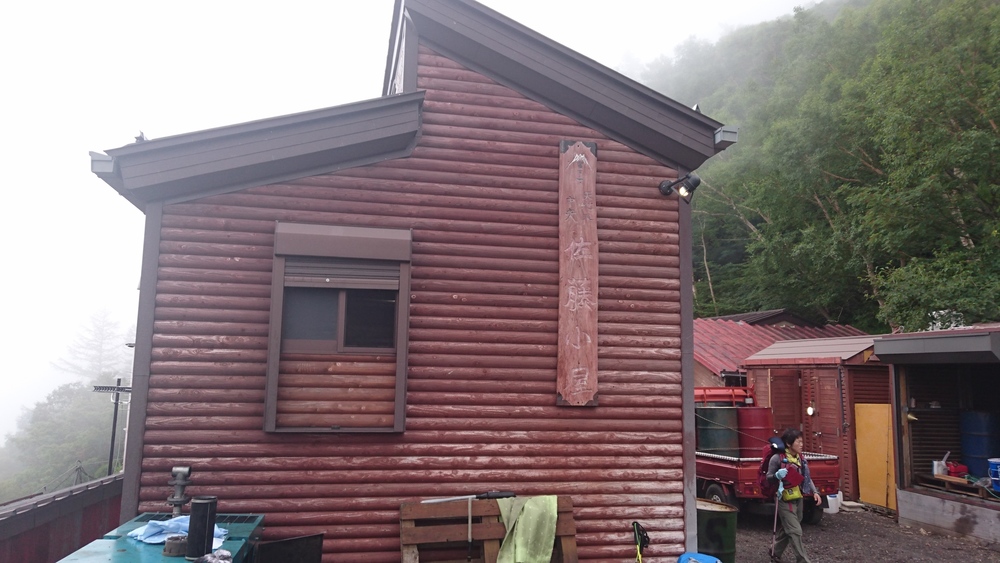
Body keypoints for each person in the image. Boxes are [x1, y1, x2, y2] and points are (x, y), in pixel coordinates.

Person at [767, 428, 822, 563]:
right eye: (798, 442)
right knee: (795, 530)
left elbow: (806, 477)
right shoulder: (777, 459)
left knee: (790, 528)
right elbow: (769, 477)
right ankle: (803, 560)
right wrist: (777, 476)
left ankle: (775, 550)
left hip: (798, 498)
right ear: (788, 443)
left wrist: (815, 492)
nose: (801, 445)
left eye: (802, 442)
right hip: (783, 498)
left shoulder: (801, 459)